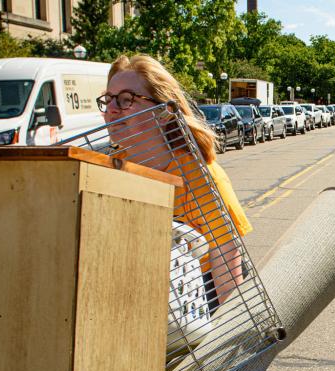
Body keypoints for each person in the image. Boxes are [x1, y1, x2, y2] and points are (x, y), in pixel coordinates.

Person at [99, 54, 252, 305]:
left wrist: (228, 335)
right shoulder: (108, 170)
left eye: (126, 99)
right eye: (108, 100)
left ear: (163, 112)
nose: (112, 109)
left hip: (199, 295)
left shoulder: (201, 176)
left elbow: (225, 256)